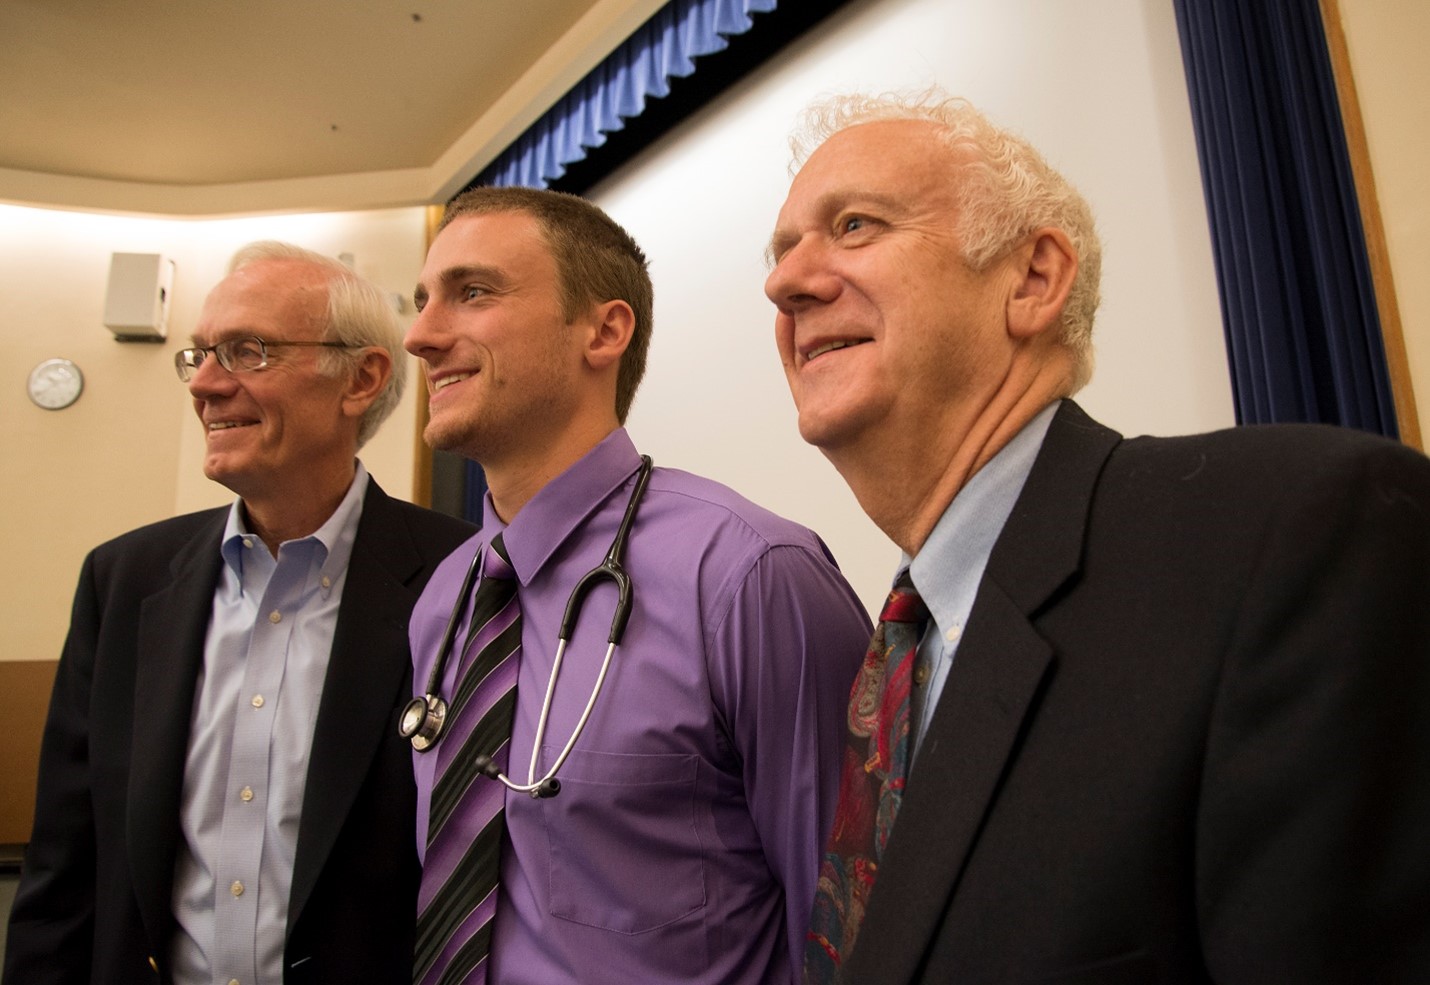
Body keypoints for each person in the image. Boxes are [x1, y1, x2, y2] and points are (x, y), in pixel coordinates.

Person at [764, 89, 1430, 984]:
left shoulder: (1295, 529)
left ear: (1035, 279)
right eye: (781, 252)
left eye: (854, 225)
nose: (785, 282)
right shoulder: (892, 665)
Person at [402, 186, 871, 985]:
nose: (420, 335)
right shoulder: (446, 601)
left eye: (471, 293)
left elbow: (854, 935)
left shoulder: (751, 577)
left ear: (604, 330)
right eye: (420, 302)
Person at [4, 242, 476, 985]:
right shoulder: (124, 580)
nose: (206, 384)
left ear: (361, 377)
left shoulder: (465, 576)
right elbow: (67, 866)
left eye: (247, 351)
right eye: (197, 355)